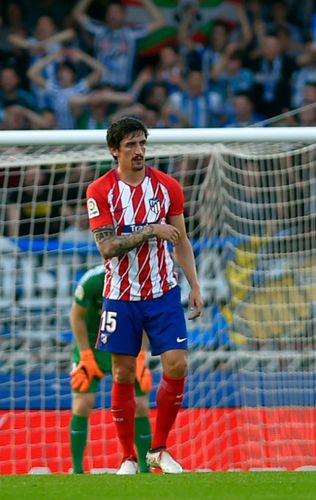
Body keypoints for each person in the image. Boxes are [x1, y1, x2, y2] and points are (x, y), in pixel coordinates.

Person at [86, 116, 204, 474]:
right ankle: (127, 457)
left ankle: (159, 449)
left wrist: (195, 285)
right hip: (120, 294)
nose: (139, 152)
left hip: (163, 291)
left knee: (177, 363)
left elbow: (180, 240)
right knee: (123, 374)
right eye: (130, 146)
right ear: (114, 151)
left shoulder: (167, 187)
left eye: (142, 144)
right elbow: (107, 248)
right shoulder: (100, 191)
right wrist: (151, 229)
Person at [69, 265, 153, 474]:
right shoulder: (92, 281)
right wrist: (85, 355)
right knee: (83, 403)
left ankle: (145, 467)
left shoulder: (137, 282)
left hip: (125, 346)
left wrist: (142, 357)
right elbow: (76, 316)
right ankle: (77, 469)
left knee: (141, 405)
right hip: (91, 348)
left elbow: (143, 322)